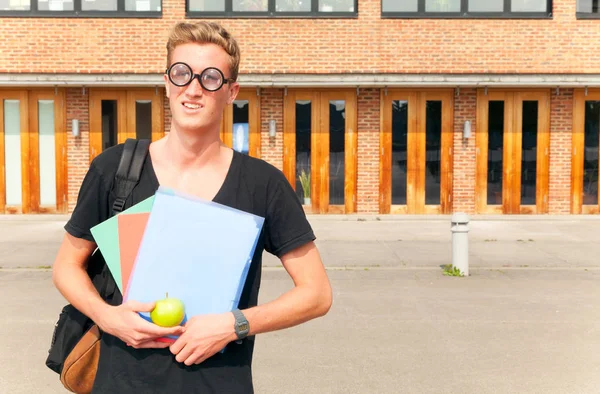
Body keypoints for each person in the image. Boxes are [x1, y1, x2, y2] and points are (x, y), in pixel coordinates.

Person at [51, 21, 333, 393]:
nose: (193, 89)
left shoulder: (262, 183)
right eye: (182, 74)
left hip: (218, 383)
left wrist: (234, 324)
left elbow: (316, 293)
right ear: (167, 83)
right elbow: (66, 266)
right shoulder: (116, 169)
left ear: (232, 92)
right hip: (120, 382)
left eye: (210, 78)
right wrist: (108, 317)